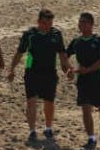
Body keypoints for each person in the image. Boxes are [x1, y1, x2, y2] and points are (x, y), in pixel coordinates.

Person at [8, 9, 72, 142]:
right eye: (44, 23)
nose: (47, 26)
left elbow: (62, 54)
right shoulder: (30, 35)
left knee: (49, 102)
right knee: (31, 101)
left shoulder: (56, 34)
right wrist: (12, 69)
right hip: (32, 73)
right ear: (38, 22)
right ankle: (32, 131)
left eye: (49, 23)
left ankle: (48, 128)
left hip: (49, 73)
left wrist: (67, 69)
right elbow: (19, 53)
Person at [66, 12, 100, 150]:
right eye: (80, 22)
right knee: (86, 108)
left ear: (91, 24)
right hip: (83, 80)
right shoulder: (76, 42)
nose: (81, 25)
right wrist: (69, 69)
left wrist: (89, 69)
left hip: (98, 78)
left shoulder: (99, 40)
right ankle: (91, 138)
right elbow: (65, 55)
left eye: (84, 22)